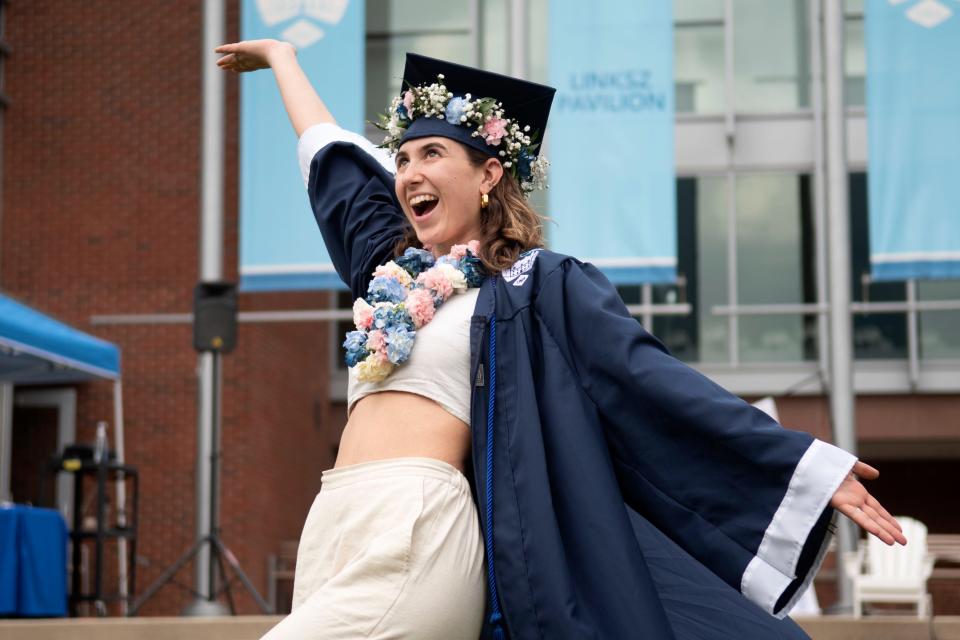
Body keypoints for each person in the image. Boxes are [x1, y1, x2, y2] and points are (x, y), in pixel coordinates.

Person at [214, 39, 906, 640]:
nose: (409, 174)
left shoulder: (533, 286)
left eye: (432, 153)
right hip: (335, 524)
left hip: (417, 532)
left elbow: (648, 379)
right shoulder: (390, 272)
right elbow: (334, 167)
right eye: (402, 159)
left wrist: (799, 464)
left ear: (489, 175)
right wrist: (283, 60)